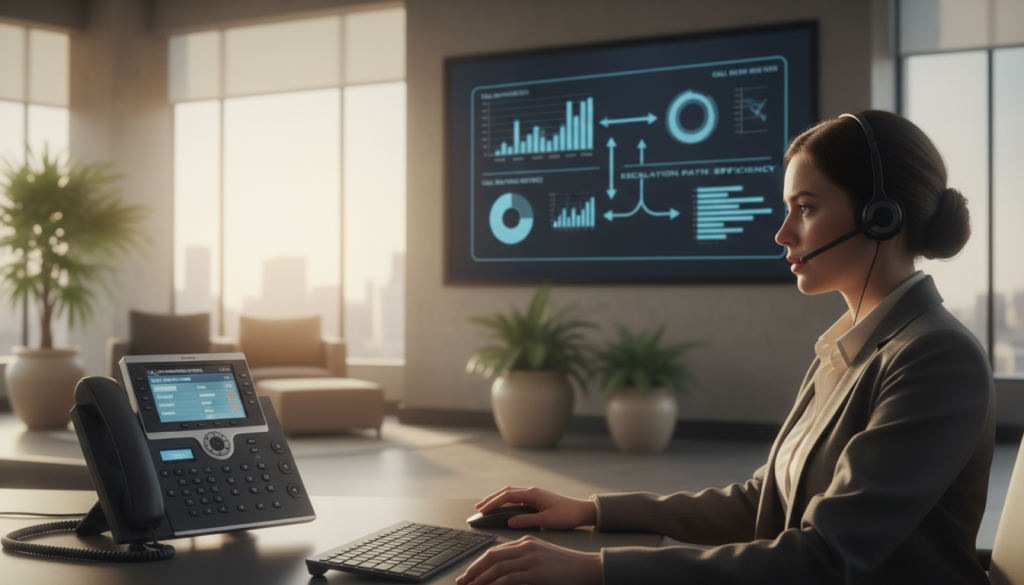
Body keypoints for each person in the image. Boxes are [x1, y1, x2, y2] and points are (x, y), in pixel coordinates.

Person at [456, 110, 996, 585]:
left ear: (881, 216)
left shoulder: (935, 357)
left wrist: (596, 570)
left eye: (805, 208)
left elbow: (826, 559)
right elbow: (760, 503)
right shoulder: (848, 348)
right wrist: (591, 510)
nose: (783, 233)